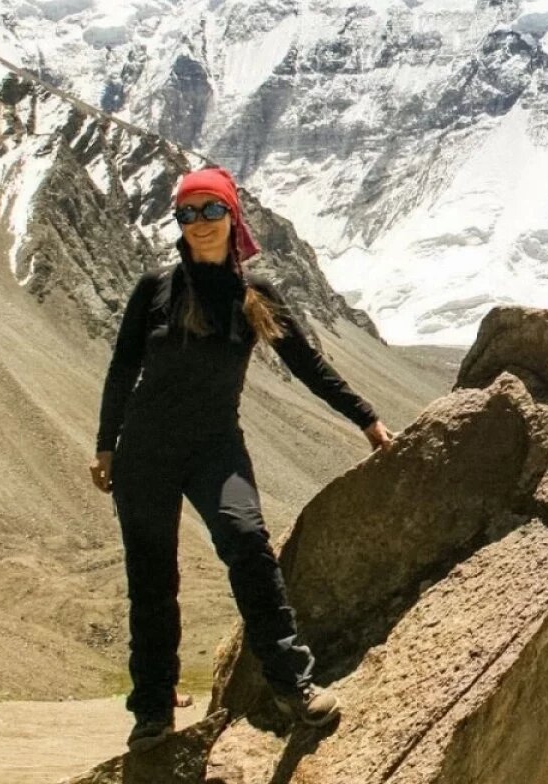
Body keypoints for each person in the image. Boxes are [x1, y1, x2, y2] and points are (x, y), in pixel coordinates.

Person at [88, 167, 393, 752]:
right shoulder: (155, 286)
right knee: (152, 582)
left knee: (247, 544)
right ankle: (152, 711)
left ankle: (293, 686)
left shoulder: (258, 296)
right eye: (187, 213)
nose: (199, 223)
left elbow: (307, 364)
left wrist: (366, 418)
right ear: (178, 223)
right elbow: (123, 367)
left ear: (232, 216)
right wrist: (106, 443)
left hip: (214, 449)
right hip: (145, 452)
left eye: (210, 210)